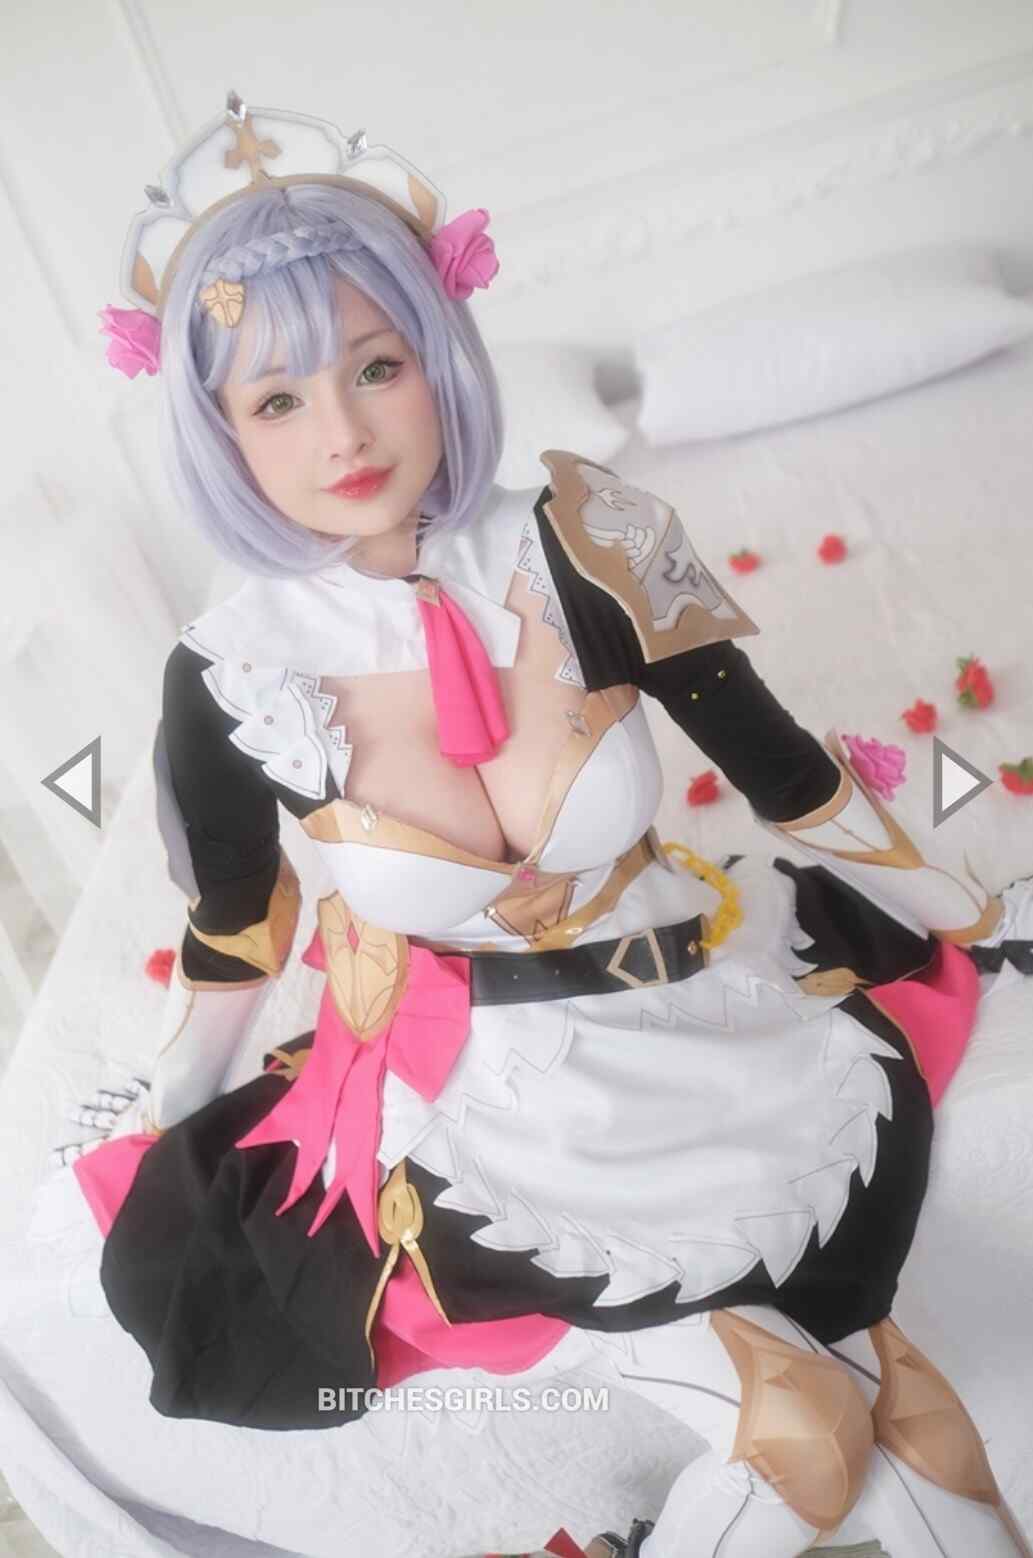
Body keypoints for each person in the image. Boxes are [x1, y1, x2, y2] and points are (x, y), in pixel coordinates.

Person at [56, 91, 1033, 1558]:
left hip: (707, 1022)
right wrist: (161, 1117)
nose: (343, 434)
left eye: (376, 367)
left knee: (915, 1433)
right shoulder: (229, 668)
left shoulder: (585, 535)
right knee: (808, 1432)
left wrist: (976, 908)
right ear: (216, 431)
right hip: (489, 1112)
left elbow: (783, 771)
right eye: (275, 401)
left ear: (438, 353)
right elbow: (238, 929)